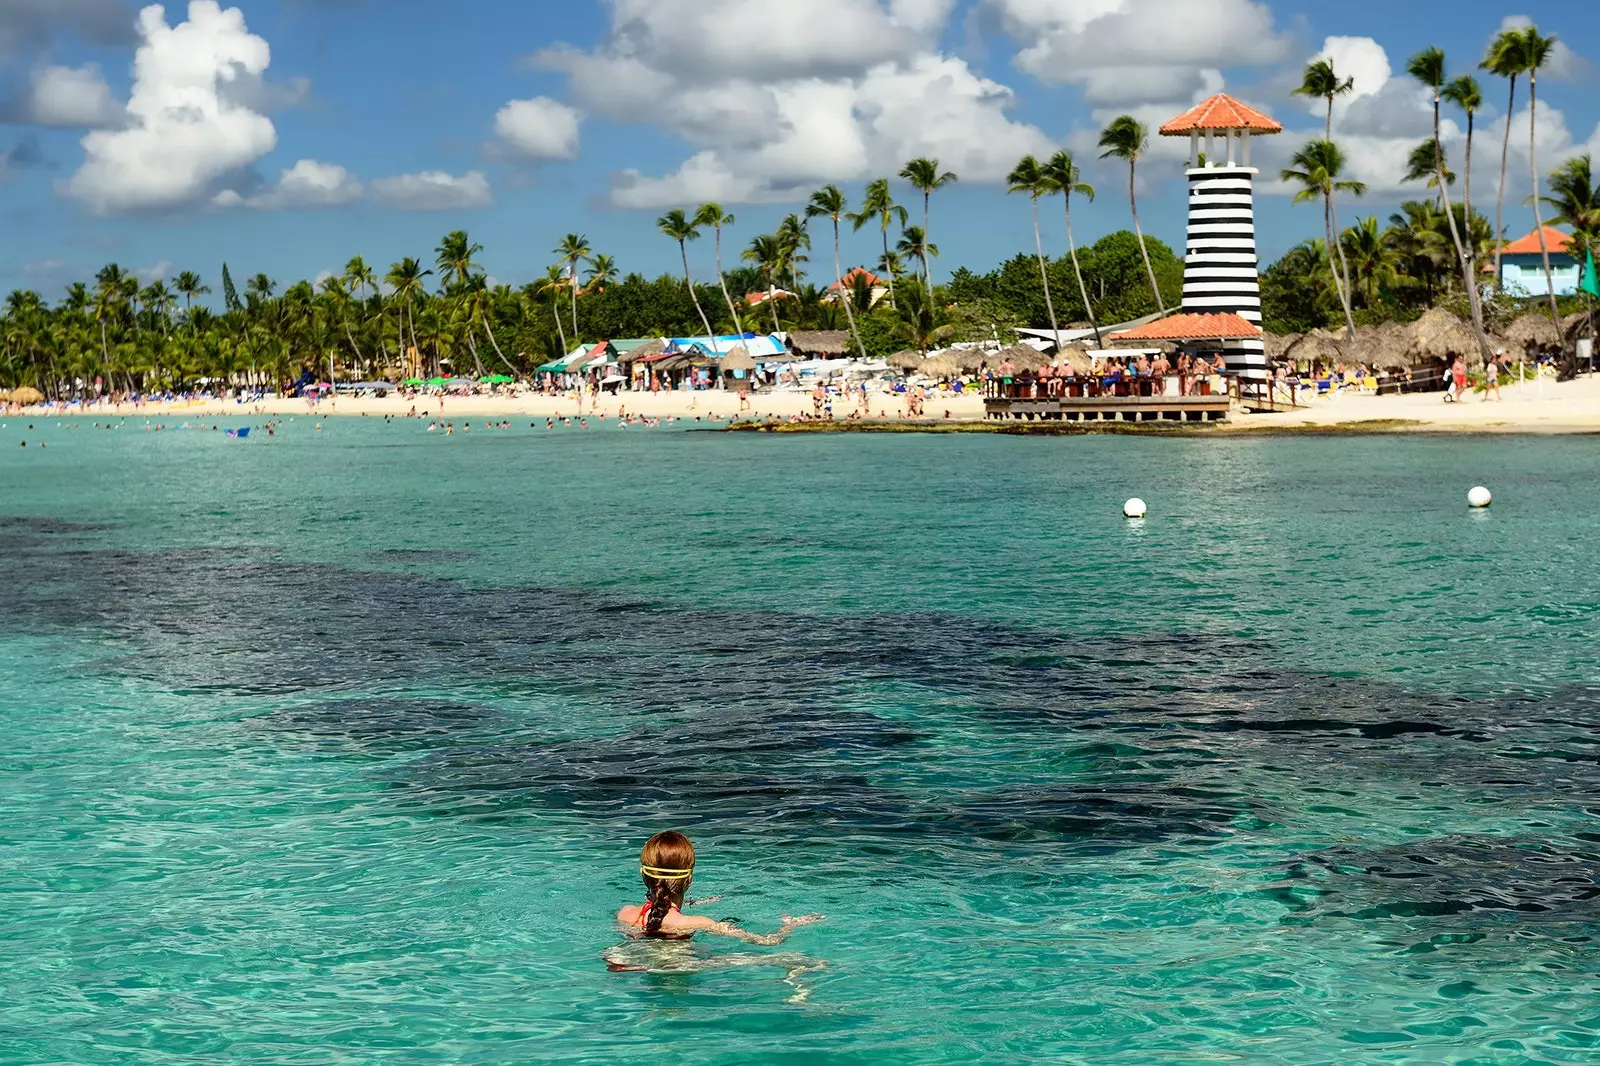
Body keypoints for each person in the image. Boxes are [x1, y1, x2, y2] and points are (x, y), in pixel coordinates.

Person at [615, 831, 823, 944]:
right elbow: (767, 942)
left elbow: (659, 914)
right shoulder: (697, 923)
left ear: (644, 876)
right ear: (688, 880)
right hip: (681, 969)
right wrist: (790, 925)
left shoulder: (625, 914)